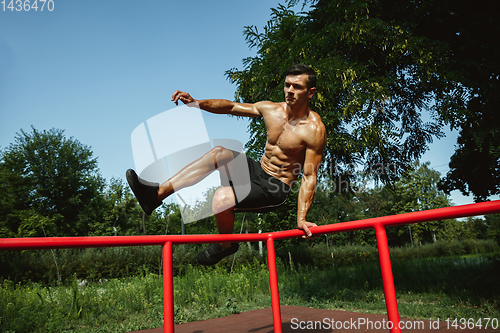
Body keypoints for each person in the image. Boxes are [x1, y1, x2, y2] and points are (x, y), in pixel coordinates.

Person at [126, 64, 326, 265]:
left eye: (297, 87)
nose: (290, 91)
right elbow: (231, 106)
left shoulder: (314, 129)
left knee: (222, 198)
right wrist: (197, 103)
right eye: (287, 85)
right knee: (220, 152)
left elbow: (309, 175)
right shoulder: (272, 109)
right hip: (258, 170)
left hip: (276, 188)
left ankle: (226, 246)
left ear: (310, 92)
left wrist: (301, 218)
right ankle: (156, 195)